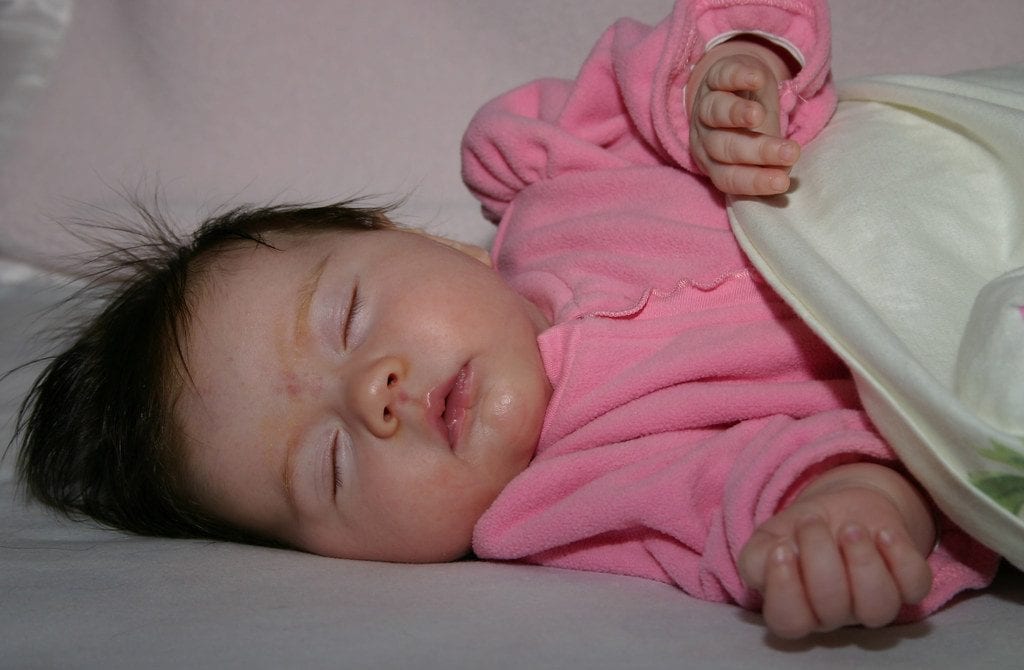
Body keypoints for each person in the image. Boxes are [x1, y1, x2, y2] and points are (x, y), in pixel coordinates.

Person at [14, 0, 998, 639]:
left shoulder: (550, 176)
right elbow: (745, 488)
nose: (373, 394)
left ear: (421, 240)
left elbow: (650, 69)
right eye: (327, 468)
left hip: (972, 168)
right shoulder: (561, 507)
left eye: (351, 312)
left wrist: (721, 83)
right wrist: (848, 514)